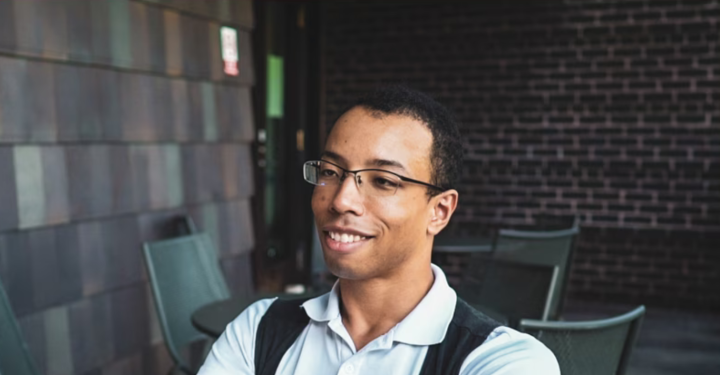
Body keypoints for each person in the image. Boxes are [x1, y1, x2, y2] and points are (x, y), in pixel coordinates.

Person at [198, 85, 560, 375]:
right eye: (329, 172)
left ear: (439, 210)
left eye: (384, 181)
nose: (342, 200)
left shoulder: (504, 361)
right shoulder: (258, 330)